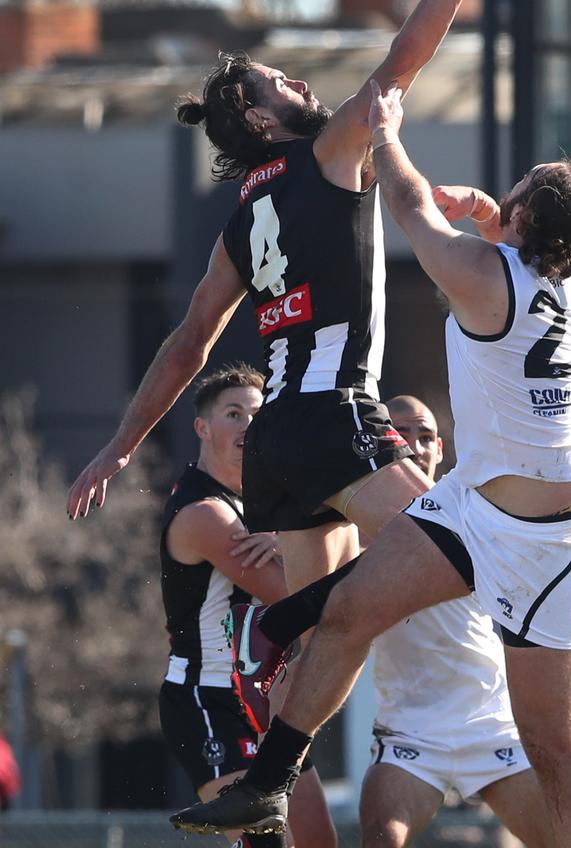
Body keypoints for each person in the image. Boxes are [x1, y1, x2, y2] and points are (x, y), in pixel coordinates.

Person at [66, 0, 542, 620]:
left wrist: (122, 445)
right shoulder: (325, 151)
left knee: (329, 636)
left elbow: (190, 340)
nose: (293, 79)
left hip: (275, 442)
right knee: (474, 550)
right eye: (274, 82)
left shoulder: (238, 220)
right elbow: (402, 61)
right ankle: (297, 616)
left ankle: (289, 693)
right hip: (334, 414)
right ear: (259, 121)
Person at [169, 78, 571, 848]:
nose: (505, 198)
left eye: (519, 192)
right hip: (482, 507)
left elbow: (408, 208)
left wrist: (386, 135)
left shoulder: (481, 277)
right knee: (347, 611)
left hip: (547, 540)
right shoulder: (566, 278)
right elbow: (508, 242)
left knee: (553, 737)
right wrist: (490, 212)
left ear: (527, 218)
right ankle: (269, 780)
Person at [159, 363, 335, 848]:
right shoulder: (207, 513)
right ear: (203, 428)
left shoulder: (259, 505)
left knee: (319, 841)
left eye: (255, 416)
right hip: (209, 698)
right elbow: (296, 598)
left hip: (270, 702)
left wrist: (285, 538)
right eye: (233, 414)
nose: (245, 427)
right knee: (264, 842)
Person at [360, 396, 548, 848]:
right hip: (411, 729)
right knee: (381, 840)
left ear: (441, 449)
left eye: (426, 437)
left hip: (492, 723)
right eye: (402, 433)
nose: (416, 445)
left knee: (568, 837)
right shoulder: (348, 522)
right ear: (379, 441)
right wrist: (276, 543)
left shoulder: (468, 505)